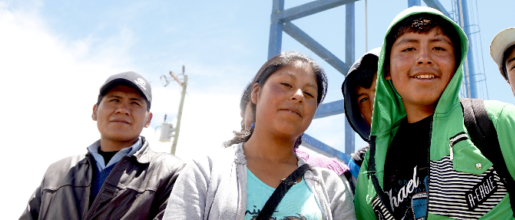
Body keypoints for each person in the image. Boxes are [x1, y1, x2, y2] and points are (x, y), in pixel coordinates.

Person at [354, 6, 515, 220]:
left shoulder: (494, 121)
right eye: (408, 49)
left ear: (457, 62)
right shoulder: (373, 162)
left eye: (439, 48)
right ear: (386, 68)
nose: (424, 58)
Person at [165, 51, 355, 220]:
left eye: (309, 93)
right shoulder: (205, 172)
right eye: (286, 84)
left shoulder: (332, 188)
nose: (298, 96)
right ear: (256, 93)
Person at [21, 71, 185, 220]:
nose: (122, 109)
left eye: (135, 103)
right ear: (95, 111)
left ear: (148, 119)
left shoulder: (171, 173)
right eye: (114, 100)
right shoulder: (56, 172)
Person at [340, 48, 380, 183]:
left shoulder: (445, 145)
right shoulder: (360, 165)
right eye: (363, 99)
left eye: (380, 91)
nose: (373, 105)